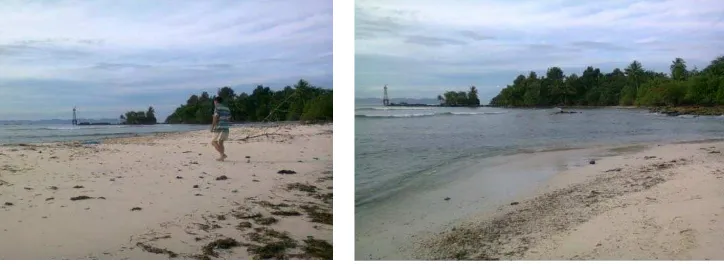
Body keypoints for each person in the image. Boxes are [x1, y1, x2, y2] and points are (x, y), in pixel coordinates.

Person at [210, 97, 231, 161]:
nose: (214, 103)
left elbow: (215, 117)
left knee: (213, 142)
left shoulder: (217, 107)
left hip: (219, 127)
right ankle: (222, 157)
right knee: (221, 142)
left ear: (216, 101)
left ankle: (223, 154)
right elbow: (229, 118)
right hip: (226, 127)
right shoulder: (227, 108)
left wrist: (212, 127)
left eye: (214, 102)